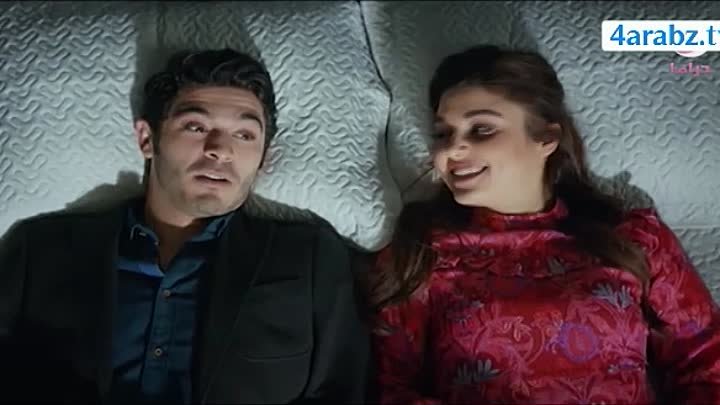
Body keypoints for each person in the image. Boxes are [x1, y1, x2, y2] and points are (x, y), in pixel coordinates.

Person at [0, 48, 370, 404]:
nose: (220, 149)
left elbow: (344, 391)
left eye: (244, 135)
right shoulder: (41, 251)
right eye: (195, 126)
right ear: (147, 139)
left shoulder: (308, 259)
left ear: (263, 159)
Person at [367, 44, 720, 405]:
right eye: (443, 134)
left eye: (482, 129)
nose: (451, 151)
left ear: (546, 138)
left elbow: (708, 364)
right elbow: (389, 388)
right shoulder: (421, 252)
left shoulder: (634, 240)